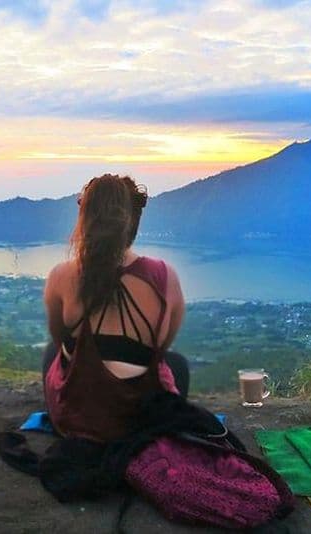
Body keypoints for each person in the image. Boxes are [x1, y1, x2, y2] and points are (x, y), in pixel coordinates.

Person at [42, 173, 189, 443]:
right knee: (176, 364)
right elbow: (162, 346)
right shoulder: (164, 276)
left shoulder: (61, 276)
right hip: (140, 422)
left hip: (78, 421)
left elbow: (58, 336)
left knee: (54, 352)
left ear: (85, 220)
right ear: (133, 222)